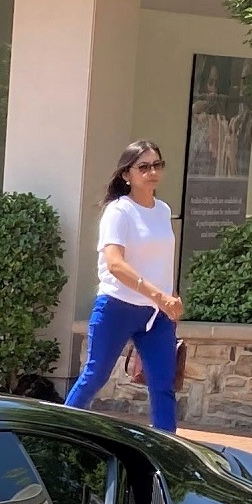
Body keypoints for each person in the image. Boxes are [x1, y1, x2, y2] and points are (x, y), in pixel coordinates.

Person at [64, 140, 181, 433]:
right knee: (95, 375)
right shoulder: (119, 212)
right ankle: (61, 432)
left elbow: (160, 259)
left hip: (157, 315)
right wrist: (158, 294)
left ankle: (167, 453)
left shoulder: (163, 210)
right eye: (144, 167)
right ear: (126, 174)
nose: (152, 172)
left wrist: (170, 297)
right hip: (118, 306)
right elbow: (115, 264)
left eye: (157, 165)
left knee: (163, 385)